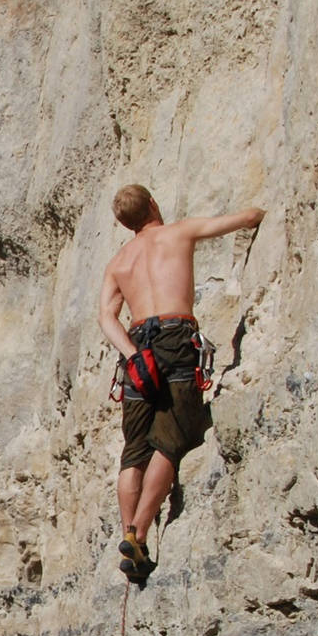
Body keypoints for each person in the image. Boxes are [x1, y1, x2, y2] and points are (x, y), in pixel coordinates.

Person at [99, 184, 265, 582]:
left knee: (134, 448)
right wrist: (258, 212)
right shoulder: (179, 232)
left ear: (124, 225)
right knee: (172, 437)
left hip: (138, 346)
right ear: (154, 204)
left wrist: (132, 354)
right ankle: (139, 532)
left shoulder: (119, 263)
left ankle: (128, 531)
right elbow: (243, 219)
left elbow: (106, 317)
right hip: (176, 337)